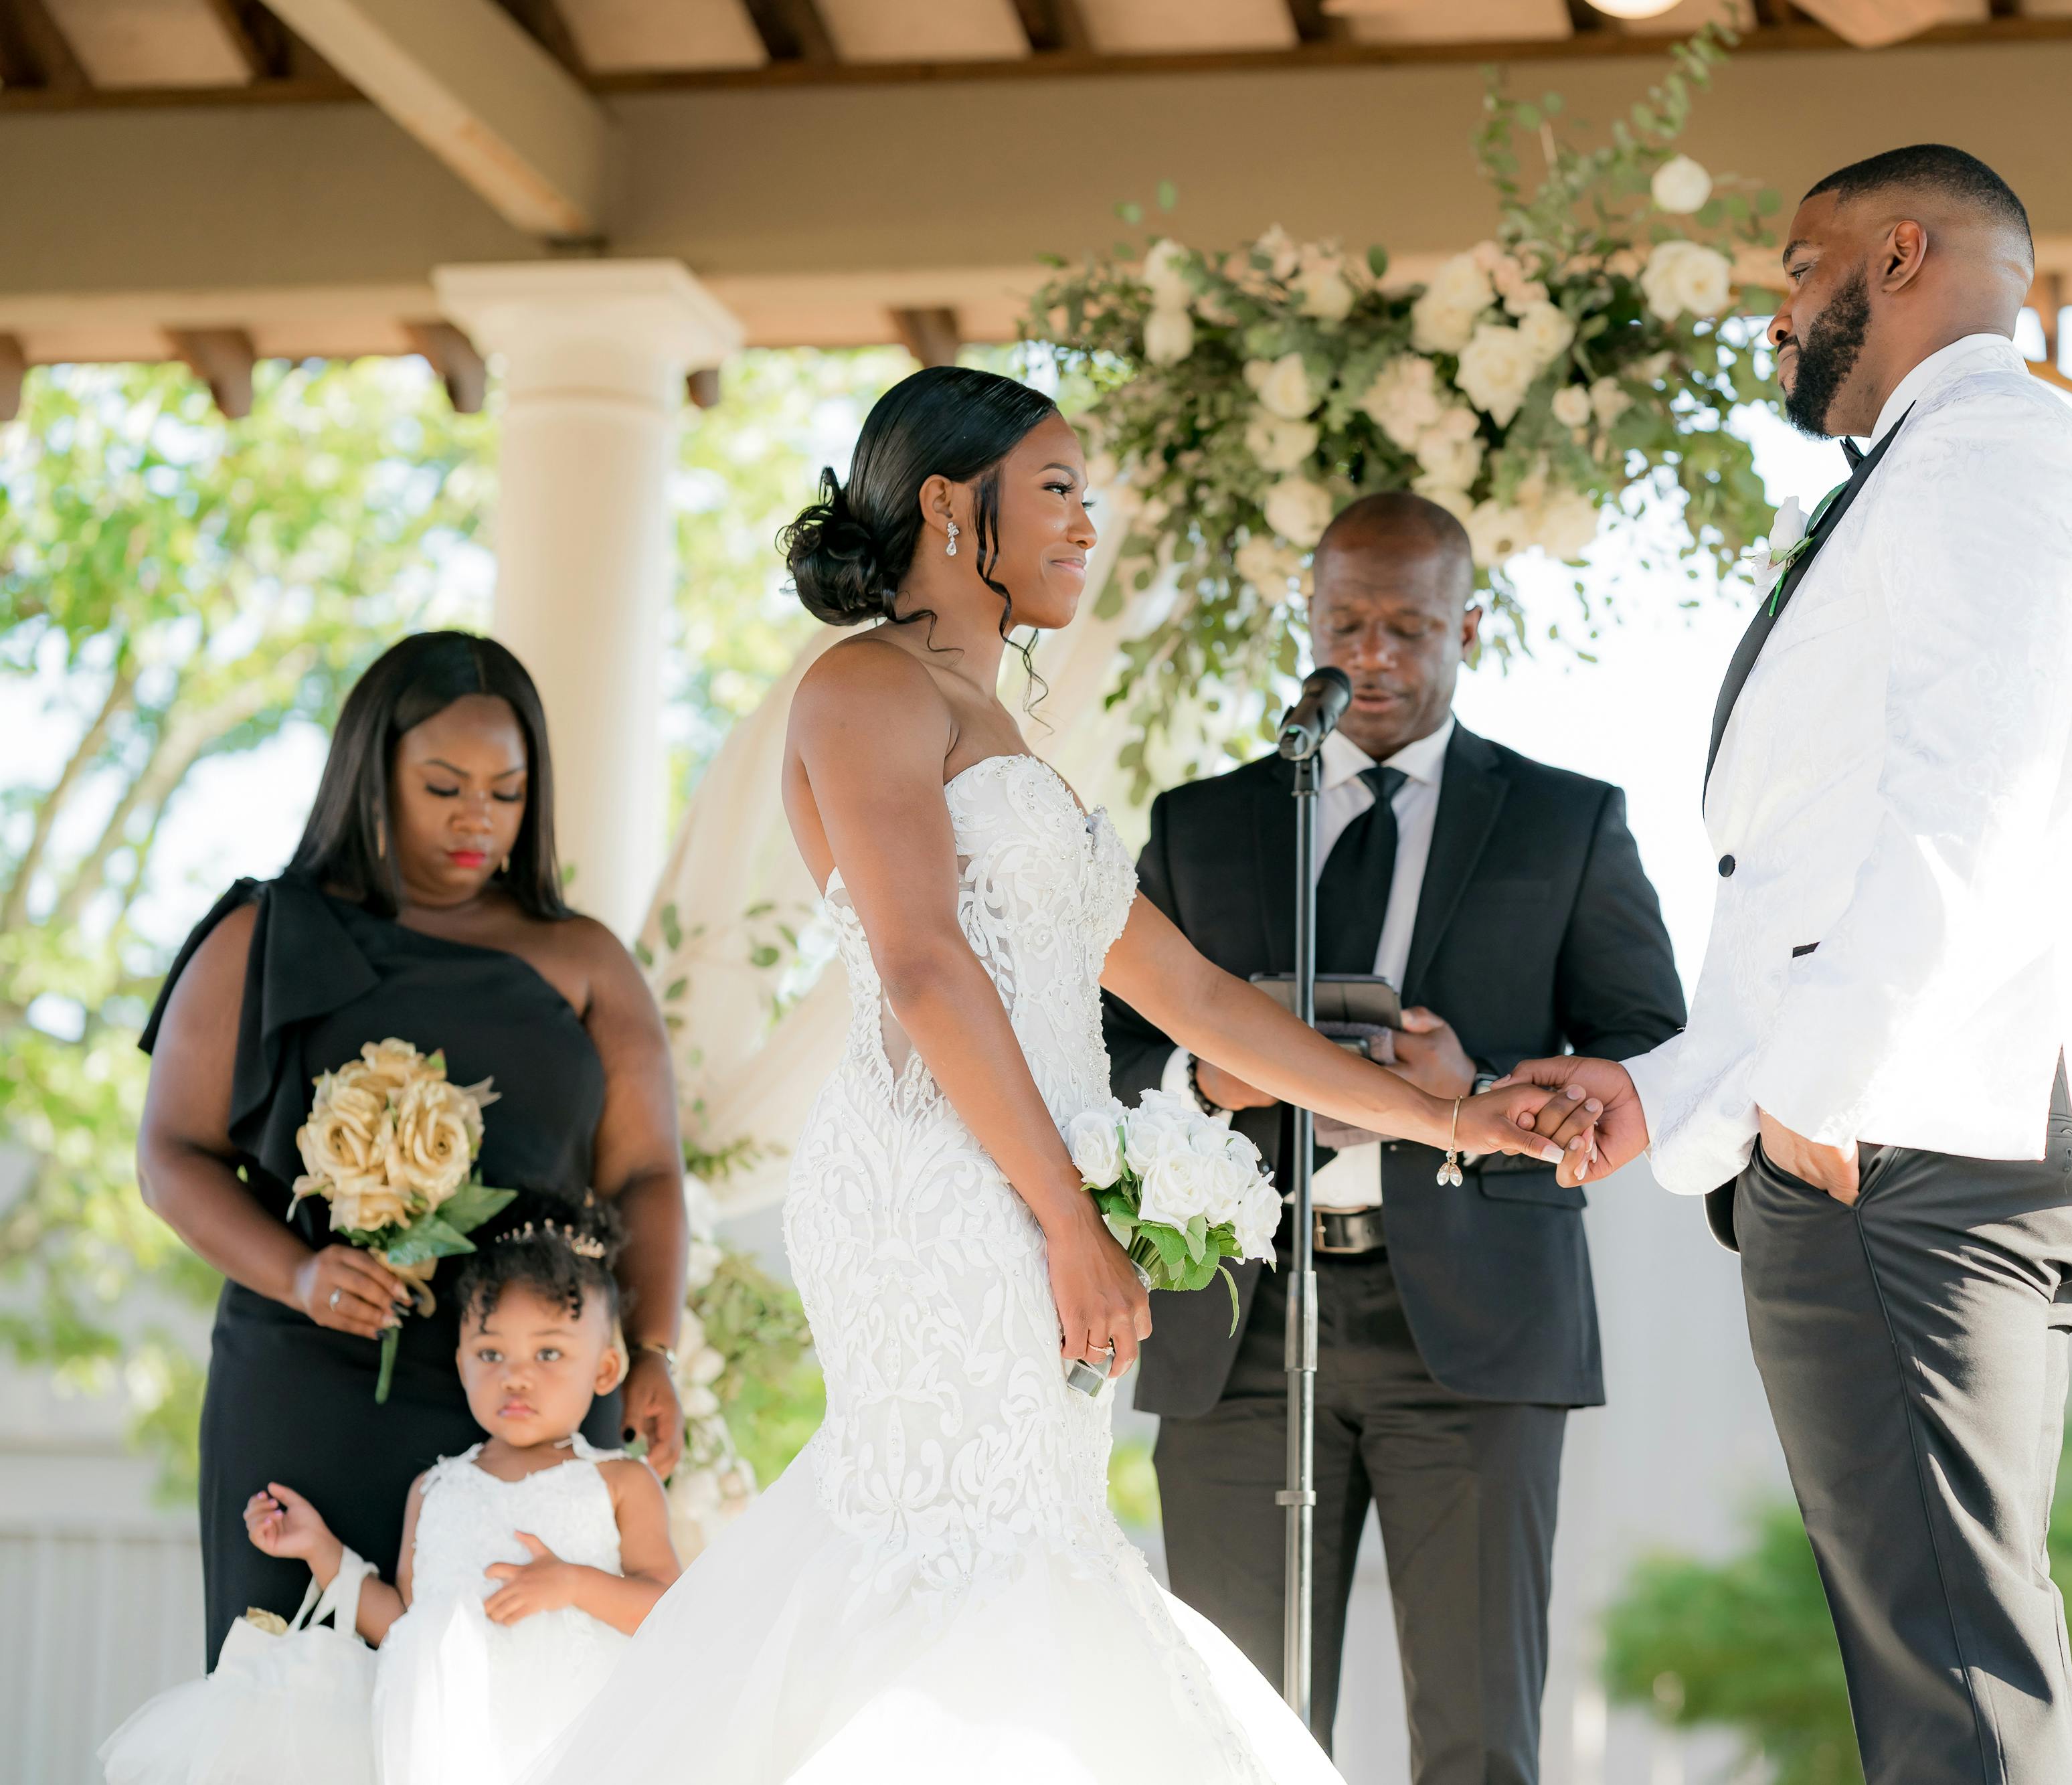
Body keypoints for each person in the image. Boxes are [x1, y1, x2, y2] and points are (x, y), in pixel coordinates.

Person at [522, 365, 1579, 1785]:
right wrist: (1071, 1218)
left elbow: (1194, 994)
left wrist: (1448, 1116)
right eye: (1062, 489)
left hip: (1018, 1190)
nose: (1090, 522)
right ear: (955, 504)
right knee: (953, 1555)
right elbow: (920, 966)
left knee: (1027, 1550)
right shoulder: (861, 688)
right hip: (936, 1194)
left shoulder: (1000, 724)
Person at [1506, 145, 2072, 1784]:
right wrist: (1673, 1089)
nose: (1779, 309)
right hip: (1918, 1124)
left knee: (1949, 1664)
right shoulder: (1948, 463)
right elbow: (1810, 872)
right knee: (1946, 1644)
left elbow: (1971, 812)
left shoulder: (1987, 458)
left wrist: (1814, 1097)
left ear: (1899, 251)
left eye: (1797, 271)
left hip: (1909, 1140)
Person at [1104, 491, 1685, 1783]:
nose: (1373, 655)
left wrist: (1473, 1079)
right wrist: (1211, 1076)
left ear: (1468, 624)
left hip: (1475, 1332)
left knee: (1478, 1737)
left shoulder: (1568, 821)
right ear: (1305, 620)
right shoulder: (1199, 827)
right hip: (1239, 1323)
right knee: (1233, 1732)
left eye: (1410, 627)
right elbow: (1101, 1055)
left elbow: (1655, 1056)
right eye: (1348, 622)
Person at [135, 630, 688, 1669]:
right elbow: (171, 1153)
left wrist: (651, 1345)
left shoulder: (585, 959)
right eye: (443, 784)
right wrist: (300, 1272)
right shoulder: (260, 935)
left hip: (539, 1384)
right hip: (317, 1370)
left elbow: (646, 1171)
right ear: (373, 774)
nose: (477, 818)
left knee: (540, 1683)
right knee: (297, 1683)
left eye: (507, 791)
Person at [101, 1209, 679, 1785]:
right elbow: (404, 1622)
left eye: (548, 1353)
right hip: (447, 1748)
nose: (517, 1376)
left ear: (605, 1369)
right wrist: (321, 1550)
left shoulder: (620, 1482)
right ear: (461, 1362)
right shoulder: (435, 1489)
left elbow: (671, 1609)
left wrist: (574, 1583)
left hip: (575, 1740)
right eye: (490, 1353)